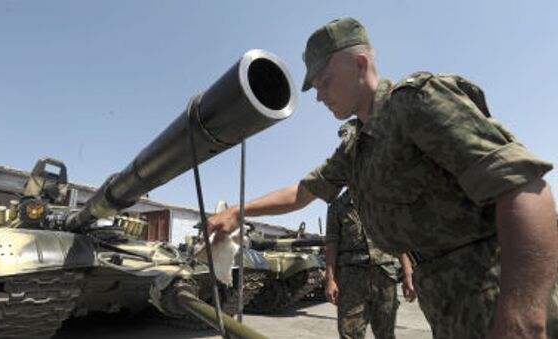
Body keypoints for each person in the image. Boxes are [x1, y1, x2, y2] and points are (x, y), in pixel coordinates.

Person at [208, 17, 557, 338]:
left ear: (360, 64)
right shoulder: (357, 145)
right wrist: (239, 211)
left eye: (324, 82)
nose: (319, 96)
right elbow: (303, 192)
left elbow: (525, 188)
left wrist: (523, 315)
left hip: (493, 291)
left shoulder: (415, 103)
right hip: (446, 298)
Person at [327, 183, 416, 339]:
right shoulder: (337, 207)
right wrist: (330, 279)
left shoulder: (383, 202)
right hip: (351, 281)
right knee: (349, 335)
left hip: (384, 277)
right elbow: (331, 244)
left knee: (386, 334)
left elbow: (397, 240)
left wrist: (408, 272)